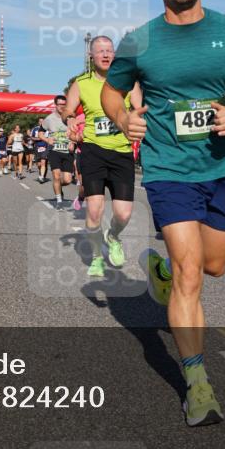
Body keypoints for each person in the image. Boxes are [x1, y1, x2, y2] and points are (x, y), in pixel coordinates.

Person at [102, 0, 225, 427]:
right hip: (168, 168)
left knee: (214, 266)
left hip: (221, 166)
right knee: (192, 273)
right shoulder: (140, 39)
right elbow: (114, 93)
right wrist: (123, 118)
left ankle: (164, 277)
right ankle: (197, 383)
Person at [63, 36, 142, 277]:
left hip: (121, 152)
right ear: (91, 56)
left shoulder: (129, 82)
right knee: (94, 211)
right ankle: (97, 256)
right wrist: (70, 119)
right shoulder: (81, 83)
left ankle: (114, 236)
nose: (106, 55)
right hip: (93, 152)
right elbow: (68, 109)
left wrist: (135, 120)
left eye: (109, 50)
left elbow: (138, 109)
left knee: (123, 213)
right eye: (100, 51)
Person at [42, 95, 76, 210]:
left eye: (64, 104)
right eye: (60, 104)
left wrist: (73, 142)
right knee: (56, 176)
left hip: (67, 152)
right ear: (55, 105)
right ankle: (59, 200)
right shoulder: (49, 119)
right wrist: (47, 139)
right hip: (54, 151)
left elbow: (76, 132)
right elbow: (40, 133)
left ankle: (57, 187)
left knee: (67, 180)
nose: (62, 106)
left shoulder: (71, 118)